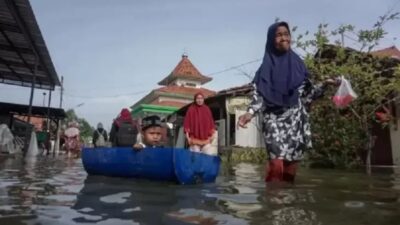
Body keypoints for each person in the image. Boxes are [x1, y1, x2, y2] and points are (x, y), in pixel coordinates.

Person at [237, 21, 338, 183]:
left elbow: (308, 95)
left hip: (296, 121)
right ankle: (273, 204)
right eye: (278, 35)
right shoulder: (265, 69)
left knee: (290, 171)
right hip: (274, 121)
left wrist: (326, 83)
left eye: (286, 34)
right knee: (276, 165)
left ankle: (288, 204)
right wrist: (249, 113)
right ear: (271, 40)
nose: (284, 38)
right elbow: (259, 95)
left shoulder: (299, 65)